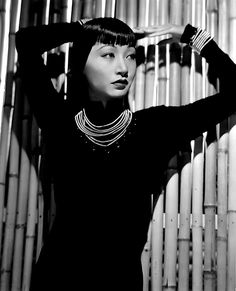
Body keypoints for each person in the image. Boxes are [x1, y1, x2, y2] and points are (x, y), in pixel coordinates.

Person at [15, 17, 236, 291]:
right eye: (108, 55)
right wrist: (85, 26)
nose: (123, 68)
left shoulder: (156, 129)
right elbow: (25, 41)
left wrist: (192, 35)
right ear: (81, 63)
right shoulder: (59, 122)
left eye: (130, 56)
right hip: (55, 279)